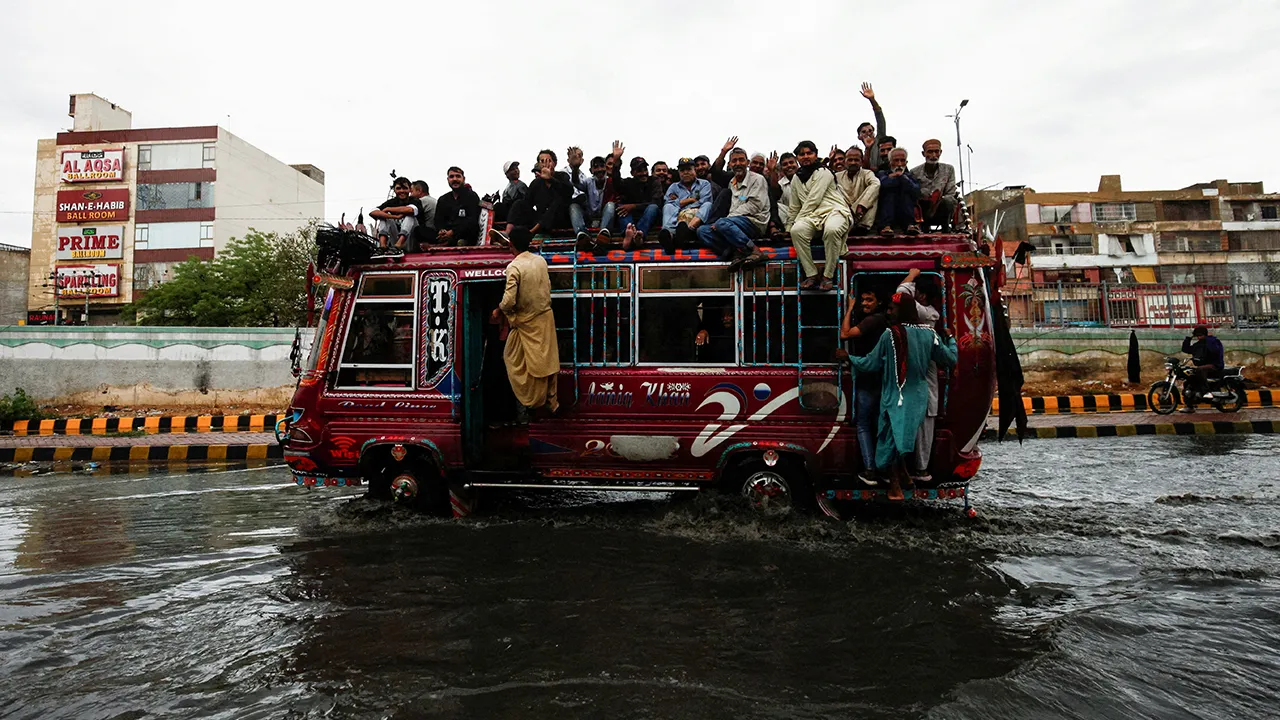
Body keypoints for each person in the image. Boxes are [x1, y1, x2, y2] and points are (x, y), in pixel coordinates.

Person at [847, 292, 958, 500]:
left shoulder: (890, 334)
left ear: (902, 310)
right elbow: (950, 359)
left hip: (894, 394)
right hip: (918, 396)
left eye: (892, 308)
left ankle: (895, 486)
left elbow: (871, 363)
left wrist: (849, 358)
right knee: (902, 438)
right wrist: (950, 338)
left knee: (889, 440)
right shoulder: (929, 334)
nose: (889, 312)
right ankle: (905, 476)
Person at [492, 227, 560, 423]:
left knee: (514, 359)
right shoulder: (540, 260)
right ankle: (549, 401)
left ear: (511, 244)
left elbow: (509, 301)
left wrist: (498, 310)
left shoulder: (514, 267)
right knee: (545, 363)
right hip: (545, 319)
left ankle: (533, 403)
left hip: (525, 323)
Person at [836, 289, 889, 485]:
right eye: (863, 300)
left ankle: (870, 469)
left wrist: (849, 308)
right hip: (880, 381)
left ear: (879, 302)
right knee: (878, 426)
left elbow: (845, 334)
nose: (865, 304)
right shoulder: (881, 321)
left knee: (864, 425)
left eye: (869, 300)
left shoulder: (873, 321)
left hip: (869, 380)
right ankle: (883, 469)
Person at [786, 140, 852, 291]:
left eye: (809, 153)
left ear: (816, 155)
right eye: (802, 154)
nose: (806, 156)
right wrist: (789, 226)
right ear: (797, 157)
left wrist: (797, 219)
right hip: (812, 216)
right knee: (796, 231)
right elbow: (795, 205)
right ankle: (811, 274)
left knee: (832, 230)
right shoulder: (796, 178)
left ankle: (828, 275)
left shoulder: (824, 172)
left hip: (834, 211)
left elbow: (813, 199)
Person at [897, 268, 942, 481]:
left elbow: (899, 293)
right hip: (921, 381)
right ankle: (919, 469)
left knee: (921, 425)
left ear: (922, 296)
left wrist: (911, 275)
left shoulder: (924, 313)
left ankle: (918, 468)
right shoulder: (930, 315)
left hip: (919, 381)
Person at [696, 147, 769, 268]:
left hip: (754, 222)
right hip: (733, 224)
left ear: (747, 163)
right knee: (702, 231)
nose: (738, 163)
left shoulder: (758, 179)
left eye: (741, 160)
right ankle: (734, 254)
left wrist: (725, 220)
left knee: (721, 223)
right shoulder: (732, 182)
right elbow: (716, 172)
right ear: (730, 164)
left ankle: (755, 251)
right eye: (734, 161)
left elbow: (755, 206)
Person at [609, 141, 662, 249]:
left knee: (653, 207)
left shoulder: (654, 181)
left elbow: (657, 202)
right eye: (639, 171)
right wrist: (616, 162)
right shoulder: (629, 183)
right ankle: (629, 234)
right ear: (632, 173)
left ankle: (639, 234)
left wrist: (633, 206)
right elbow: (616, 183)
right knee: (620, 207)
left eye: (645, 170)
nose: (643, 173)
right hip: (631, 219)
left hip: (649, 218)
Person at [660, 160, 715, 252]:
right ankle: (669, 235)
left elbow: (704, 201)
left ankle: (687, 231)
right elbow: (669, 202)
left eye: (689, 169)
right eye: (682, 170)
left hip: (697, 219)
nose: (686, 172)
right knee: (668, 207)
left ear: (695, 170)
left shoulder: (704, 184)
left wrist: (682, 203)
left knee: (708, 205)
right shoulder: (674, 187)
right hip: (678, 219)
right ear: (679, 173)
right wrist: (690, 200)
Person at [911, 139, 957, 232]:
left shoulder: (949, 169)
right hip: (922, 209)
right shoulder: (914, 172)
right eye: (930, 152)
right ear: (923, 154)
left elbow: (950, 192)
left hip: (942, 208)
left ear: (941, 152)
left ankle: (946, 230)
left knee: (949, 201)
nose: (933, 155)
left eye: (936, 151)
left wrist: (938, 201)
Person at [875, 148, 921, 236]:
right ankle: (885, 226)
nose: (899, 164)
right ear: (890, 162)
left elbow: (916, 191)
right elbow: (882, 184)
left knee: (906, 193)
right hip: (887, 209)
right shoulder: (882, 174)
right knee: (890, 193)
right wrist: (896, 178)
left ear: (906, 163)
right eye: (896, 160)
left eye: (902, 161)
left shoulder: (910, 176)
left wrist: (902, 178)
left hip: (905, 210)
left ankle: (910, 225)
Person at [369, 177, 422, 250]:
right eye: (398, 188)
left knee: (410, 216)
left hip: (411, 240)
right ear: (394, 190)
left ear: (410, 189)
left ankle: (398, 245)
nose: (402, 191)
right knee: (383, 217)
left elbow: (410, 210)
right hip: (395, 238)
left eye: (405, 188)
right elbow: (373, 212)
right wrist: (394, 217)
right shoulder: (391, 202)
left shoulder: (415, 201)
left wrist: (388, 209)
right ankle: (382, 247)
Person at [1180, 326, 1225, 412]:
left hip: (1215, 365)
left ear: (1205, 335)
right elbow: (1186, 349)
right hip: (1203, 367)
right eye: (1197, 336)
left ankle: (1206, 391)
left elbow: (1215, 351)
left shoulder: (1214, 341)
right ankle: (1189, 406)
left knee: (1200, 369)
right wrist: (1188, 338)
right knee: (1188, 380)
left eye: (1200, 335)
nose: (1199, 337)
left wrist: (1209, 339)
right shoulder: (1198, 344)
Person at [837, 147, 880, 236]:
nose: (853, 163)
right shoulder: (837, 176)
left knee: (874, 188)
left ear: (861, 161)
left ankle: (863, 226)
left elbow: (876, 184)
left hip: (862, 215)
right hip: (845, 213)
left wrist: (862, 205)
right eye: (850, 160)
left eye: (856, 160)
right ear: (845, 161)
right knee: (835, 189)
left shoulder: (867, 173)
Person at [577, 155, 617, 249]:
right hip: (590, 218)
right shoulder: (588, 182)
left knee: (611, 205)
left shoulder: (611, 182)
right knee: (573, 206)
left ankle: (603, 236)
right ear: (591, 171)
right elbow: (576, 183)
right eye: (596, 167)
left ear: (606, 168)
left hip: (605, 218)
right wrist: (575, 168)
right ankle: (582, 234)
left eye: (602, 166)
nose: (599, 170)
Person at [436, 166, 481, 246]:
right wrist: (441, 230)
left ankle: (458, 242)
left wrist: (453, 232)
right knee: (419, 230)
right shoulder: (443, 199)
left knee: (473, 226)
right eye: (451, 176)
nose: (455, 179)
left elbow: (472, 220)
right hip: (446, 234)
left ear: (463, 179)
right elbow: (438, 220)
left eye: (458, 176)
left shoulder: (471, 196)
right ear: (448, 180)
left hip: (463, 234)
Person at [857, 82, 889, 171]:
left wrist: (872, 100)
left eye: (870, 130)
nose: (868, 133)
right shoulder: (859, 154)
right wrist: (868, 148)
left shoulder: (880, 141)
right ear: (859, 137)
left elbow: (880, 120)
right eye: (864, 132)